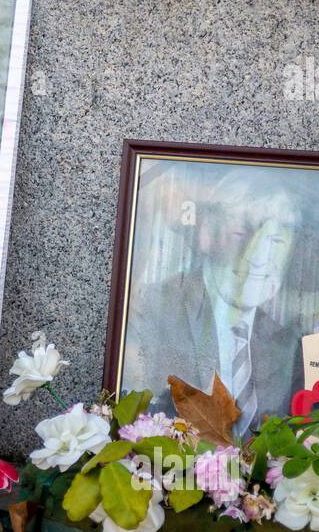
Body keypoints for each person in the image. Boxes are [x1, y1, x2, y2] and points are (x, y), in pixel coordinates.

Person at [122, 172, 303, 439]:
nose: (258, 259)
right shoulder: (154, 307)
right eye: (242, 234)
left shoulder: (287, 342)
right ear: (207, 233)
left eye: (275, 241)